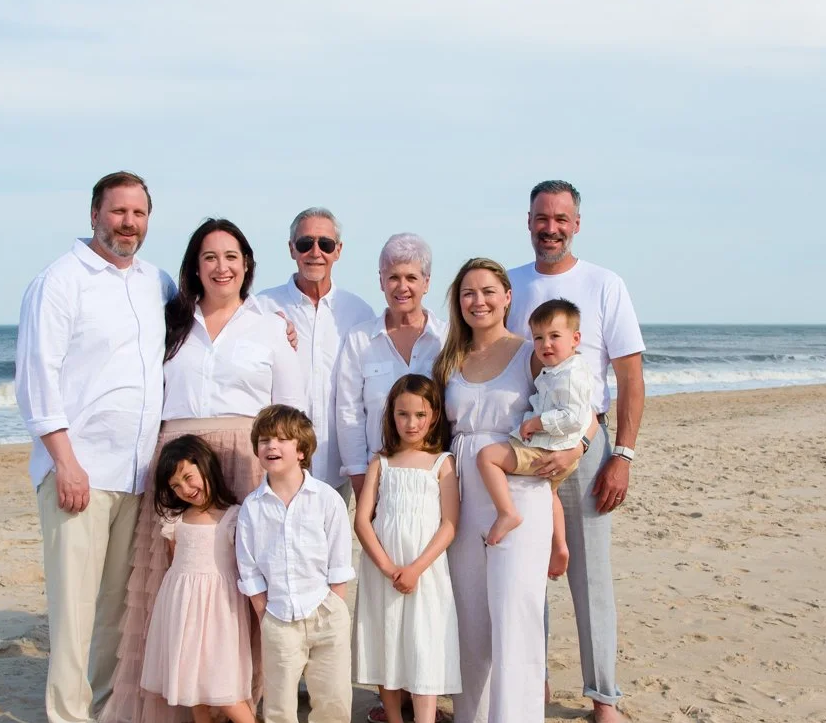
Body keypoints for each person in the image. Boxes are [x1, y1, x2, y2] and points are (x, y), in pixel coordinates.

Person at [101, 219, 306, 723]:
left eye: (232, 256)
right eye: (210, 257)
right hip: (179, 462)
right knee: (173, 579)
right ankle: (176, 704)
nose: (222, 267)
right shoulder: (168, 321)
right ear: (195, 266)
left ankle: (242, 703)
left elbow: (291, 408)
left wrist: (288, 477)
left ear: (247, 264)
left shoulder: (268, 324)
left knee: (243, 586)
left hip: (246, 457)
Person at [13, 170, 174, 723]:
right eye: (117, 212)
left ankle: (101, 709)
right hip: (78, 472)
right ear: (93, 215)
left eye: (138, 213)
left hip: (136, 474)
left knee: (114, 605)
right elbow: (36, 381)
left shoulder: (156, 283)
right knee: (73, 605)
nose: (127, 223)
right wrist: (65, 461)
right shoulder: (59, 283)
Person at [505, 181, 645, 723]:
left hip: (588, 449)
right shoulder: (510, 286)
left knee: (590, 580)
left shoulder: (605, 285)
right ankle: (531, 685)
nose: (551, 228)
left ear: (577, 224)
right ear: (529, 221)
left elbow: (630, 377)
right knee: (527, 572)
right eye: (542, 218)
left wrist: (623, 456)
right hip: (526, 453)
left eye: (561, 218)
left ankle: (603, 696)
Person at [436, 258, 581, 723]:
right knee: (470, 607)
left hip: (518, 485)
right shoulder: (450, 356)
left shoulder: (531, 352)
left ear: (506, 298)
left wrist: (576, 451)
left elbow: (579, 405)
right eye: (469, 293)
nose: (479, 301)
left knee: (517, 609)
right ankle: (474, 718)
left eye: (489, 291)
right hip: (463, 487)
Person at [352, 374, 460, 723]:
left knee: (422, 647)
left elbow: (450, 522)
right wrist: (386, 566)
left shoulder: (441, 463)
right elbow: (363, 520)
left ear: (433, 418)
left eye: (420, 415)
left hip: (425, 572)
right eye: (402, 414)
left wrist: (415, 567)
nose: (410, 423)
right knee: (387, 643)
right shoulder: (381, 461)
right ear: (391, 415)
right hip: (384, 571)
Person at [236, 405, 355, 723]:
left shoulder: (325, 499)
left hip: (324, 609)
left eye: (282, 439)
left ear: (301, 450)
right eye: (264, 440)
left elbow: (339, 558)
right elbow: (249, 565)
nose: (271, 446)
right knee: (280, 688)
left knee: (331, 686)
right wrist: (262, 608)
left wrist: (334, 603)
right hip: (277, 613)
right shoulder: (253, 508)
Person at [140, 435, 269, 723]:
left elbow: (244, 566)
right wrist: (180, 602)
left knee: (222, 681)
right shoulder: (175, 520)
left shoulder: (233, 517)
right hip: (182, 606)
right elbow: (175, 565)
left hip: (220, 608)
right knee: (192, 680)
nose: (184, 488)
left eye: (187, 476)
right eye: (175, 484)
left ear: (205, 466)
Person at [254, 207, 375, 490]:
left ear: (338, 251)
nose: (315, 252)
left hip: (340, 471)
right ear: (292, 249)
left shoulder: (360, 313)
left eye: (326, 244)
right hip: (277, 470)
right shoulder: (262, 308)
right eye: (306, 243)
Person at [477, 298, 597, 567]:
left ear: (575, 338)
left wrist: (537, 423)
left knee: (487, 458)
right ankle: (559, 546)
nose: (546, 344)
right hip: (555, 449)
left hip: (547, 448)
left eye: (555, 336)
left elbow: (575, 416)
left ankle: (507, 512)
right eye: (539, 338)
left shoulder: (570, 375)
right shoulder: (559, 370)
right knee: (550, 495)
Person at [335, 233, 449, 498]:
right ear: (381, 281)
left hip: (436, 480)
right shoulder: (360, 339)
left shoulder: (446, 339)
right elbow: (349, 413)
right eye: (393, 277)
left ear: (427, 283)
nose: (402, 287)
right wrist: (360, 478)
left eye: (411, 278)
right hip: (378, 478)